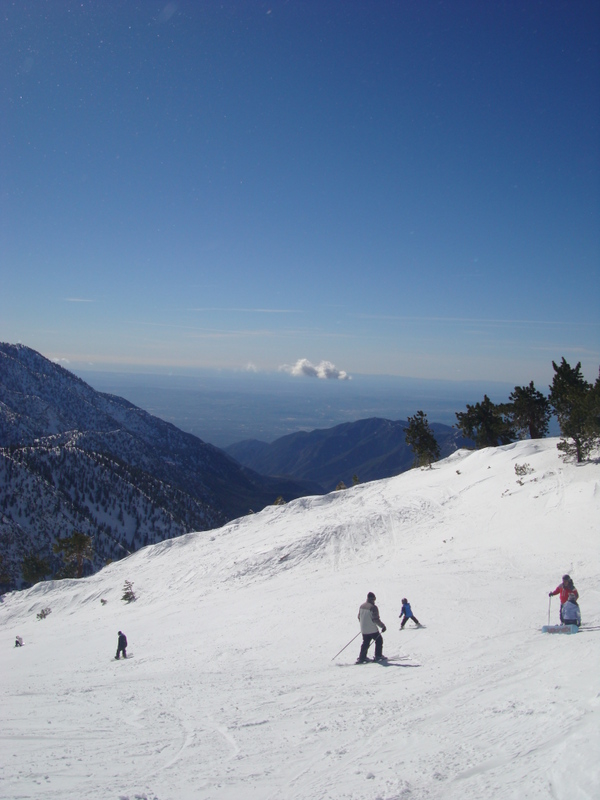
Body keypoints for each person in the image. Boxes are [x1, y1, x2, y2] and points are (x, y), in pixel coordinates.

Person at [357, 592, 387, 663]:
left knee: (366, 642)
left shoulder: (362, 606)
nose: (374, 601)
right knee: (379, 640)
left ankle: (362, 657)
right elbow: (375, 619)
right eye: (374, 599)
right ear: (372, 599)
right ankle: (378, 655)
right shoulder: (373, 607)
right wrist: (382, 626)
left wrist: (363, 624)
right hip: (372, 629)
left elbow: (359, 617)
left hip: (363, 629)